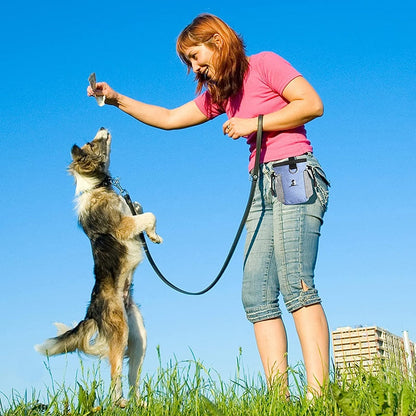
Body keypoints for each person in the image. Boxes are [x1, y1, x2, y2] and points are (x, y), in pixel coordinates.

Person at [87, 13, 330, 398]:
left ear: (218, 41)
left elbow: (311, 104)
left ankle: (318, 398)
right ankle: (280, 401)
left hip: (293, 173)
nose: (194, 66)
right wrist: (116, 99)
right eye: (189, 61)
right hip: (262, 186)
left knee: (296, 285)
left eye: (196, 55)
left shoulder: (264, 64)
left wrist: (255, 123)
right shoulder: (221, 95)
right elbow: (169, 118)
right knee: (257, 295)